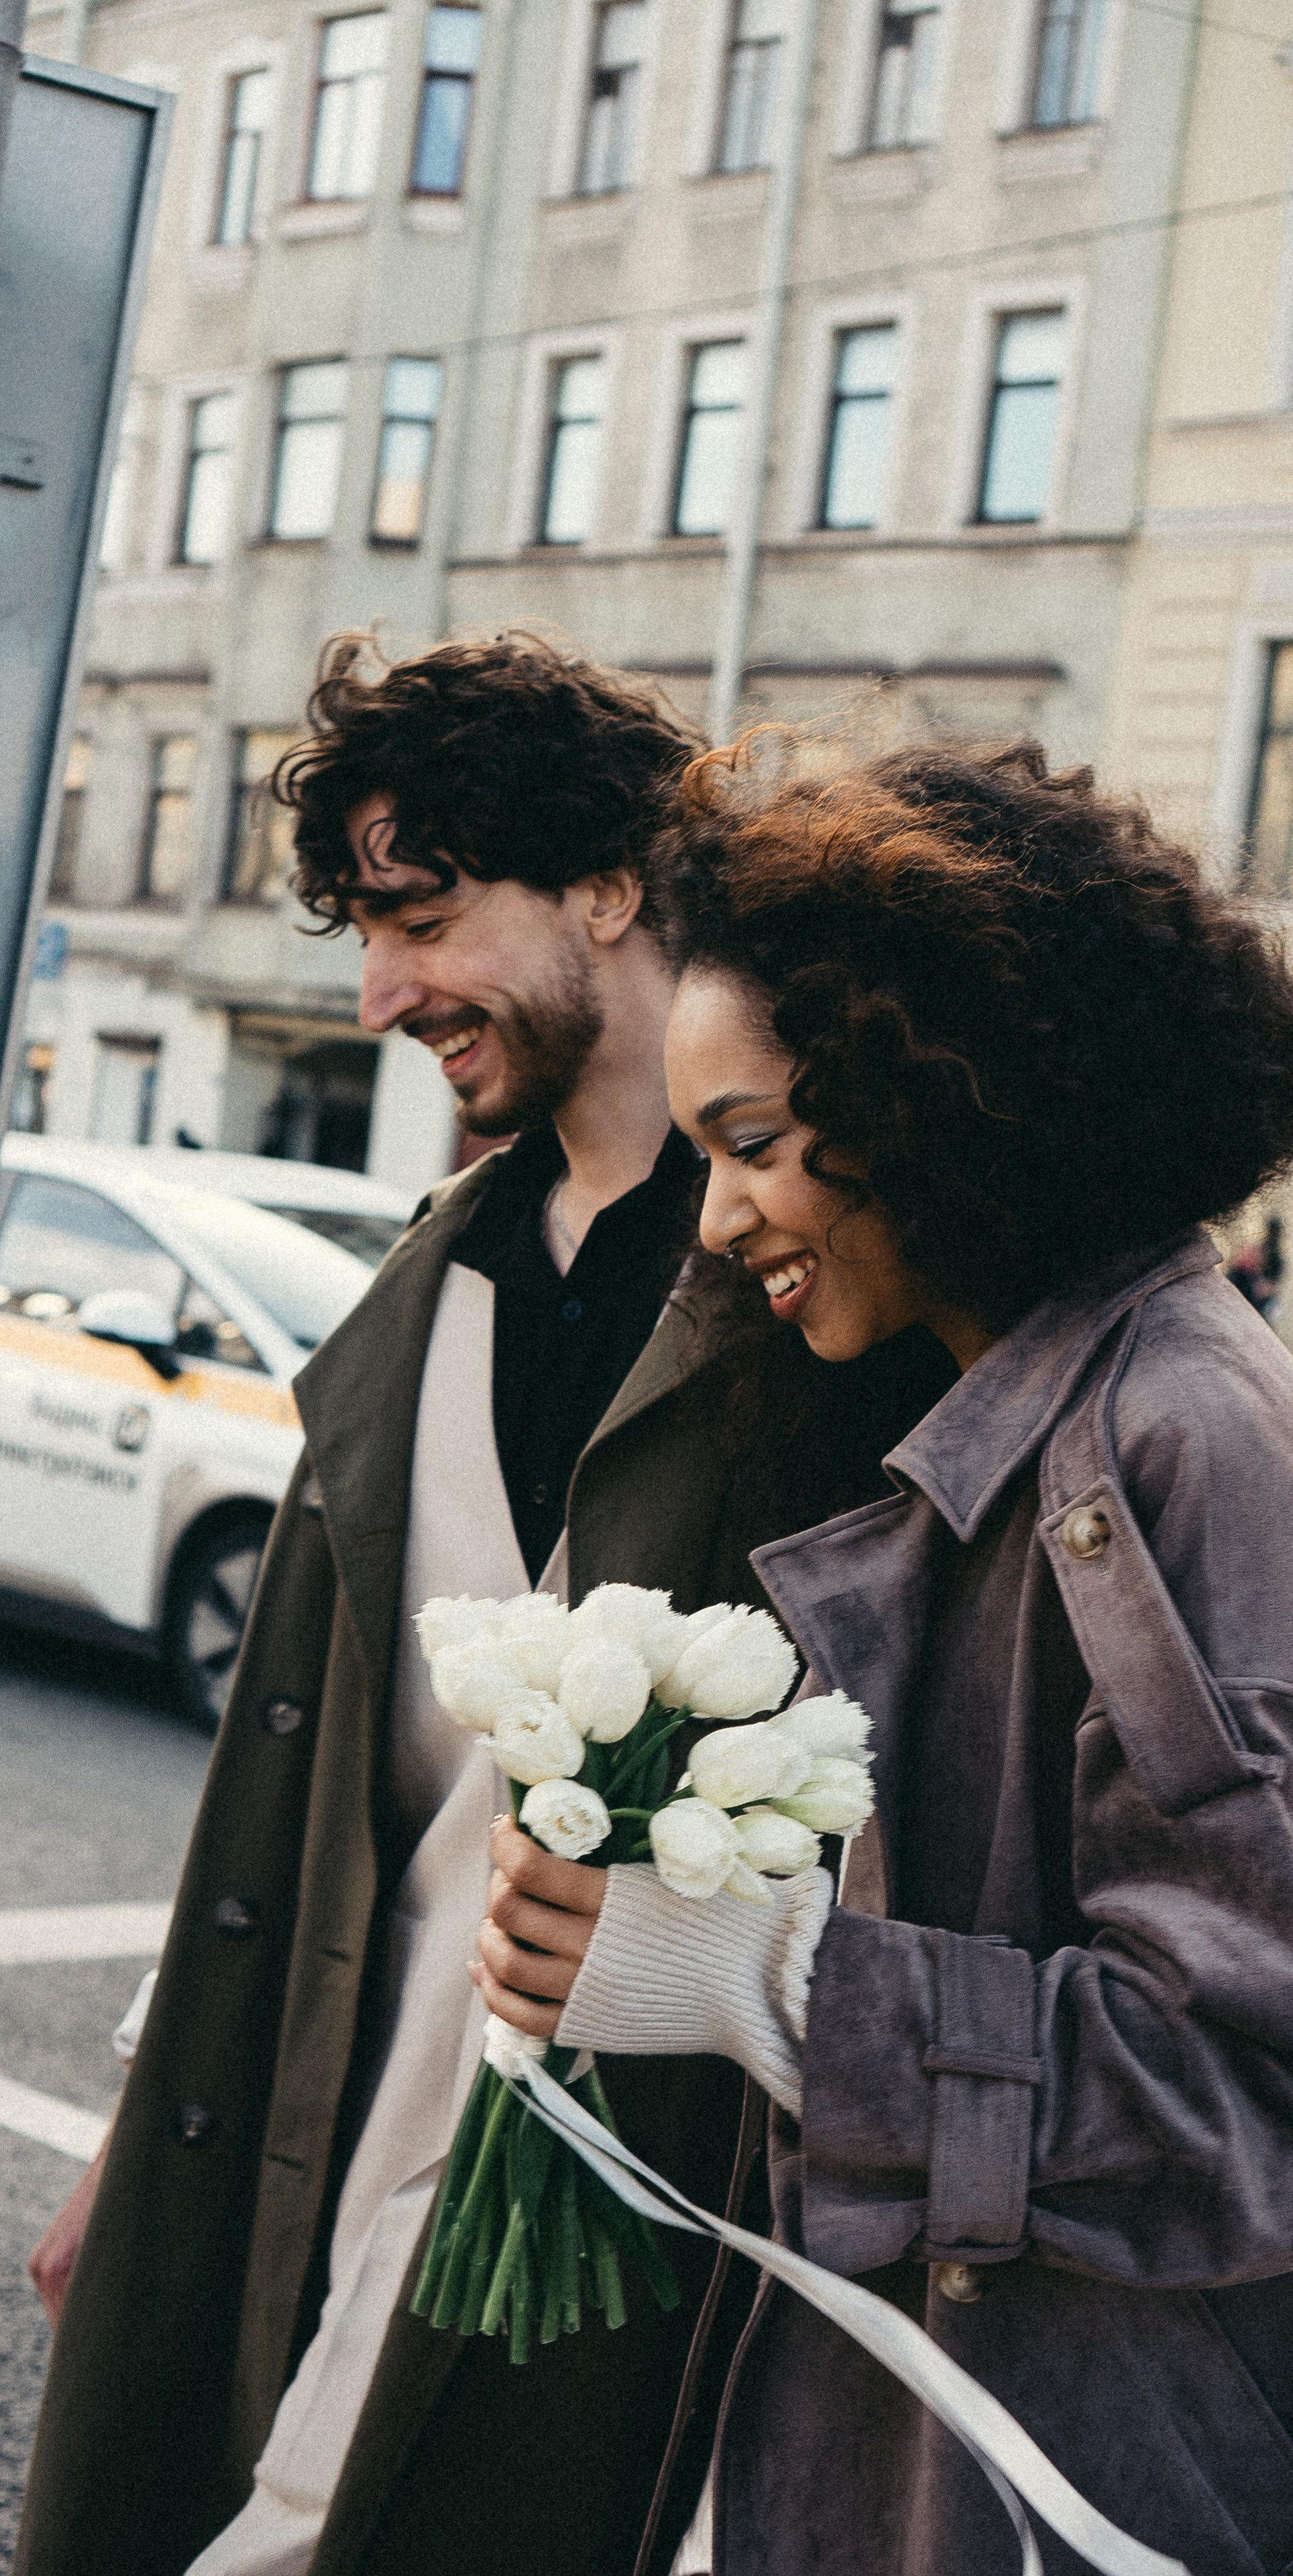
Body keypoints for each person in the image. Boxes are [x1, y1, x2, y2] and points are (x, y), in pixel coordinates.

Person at [11, 637, 953, 2576]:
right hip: (328, 2095)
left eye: (423, 918)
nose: (380, 993)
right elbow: (305, 1768)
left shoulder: (826, 1303)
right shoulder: (426, 1290)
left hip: (622, 2181)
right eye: (366, 930)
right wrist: (143, 2112)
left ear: (610, 885)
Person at [476, 737, 1293, 2576]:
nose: (719, 1216)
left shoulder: (1180, 1441)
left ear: (953, 1092)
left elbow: (1247, 2095)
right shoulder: (1022, 1404)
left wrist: (760, 1974)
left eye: (754, 1145)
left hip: (1073, 2480)